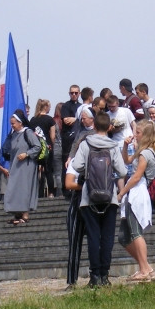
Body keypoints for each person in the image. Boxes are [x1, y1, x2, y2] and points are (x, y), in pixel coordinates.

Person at [65, 111, 127, 287]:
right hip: (109, 197)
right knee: (107, 238)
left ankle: (94, 277)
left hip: (89, 197)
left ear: (94, 126)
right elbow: (122, 172)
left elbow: (76, 166)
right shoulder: (113, 146)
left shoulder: (85, 144)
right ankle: (105, 275)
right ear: (109, 127)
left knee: (93, 237)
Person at [118, 119, 155, 281]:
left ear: (145, 135)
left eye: (138, 133)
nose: (135, 135)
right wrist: (126, 146)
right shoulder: (140, 151)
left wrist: (122, 192)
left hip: (137, 192)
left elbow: (136, 176)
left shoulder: (146, 153)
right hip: (133, 191)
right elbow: (127, 161)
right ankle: (145, 266)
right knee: (124, 236)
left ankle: (144, 269)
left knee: (135, 232)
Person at [63, 108, 94, 287]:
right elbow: (69, 183)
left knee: (93, 242)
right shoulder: (76, 162)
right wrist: (85, 185)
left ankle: (94, 276)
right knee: (74, 244)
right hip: (77, 202)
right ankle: (71, 280)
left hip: (91, 203)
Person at [2, 113, 40, 225]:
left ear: (20, 122)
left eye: (13, 123)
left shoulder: (28, 133)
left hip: (26, 166)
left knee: (24, 189)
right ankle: (17, 214)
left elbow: (37, 146)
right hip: (16, 166)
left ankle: (25, 214)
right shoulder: (13, 135)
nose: (12, 126)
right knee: (14, 189)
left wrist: (27, 154)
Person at [30, 99, 57, 198]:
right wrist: (51, 144)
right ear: (46, 107)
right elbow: (53, 136)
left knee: (37, 171)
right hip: (47, 147)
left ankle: (37, 193)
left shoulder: (33, 120)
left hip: (36, 148)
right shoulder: (50, 120)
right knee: (48, 170)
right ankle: (51, 193)